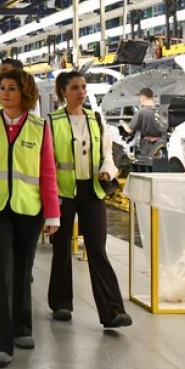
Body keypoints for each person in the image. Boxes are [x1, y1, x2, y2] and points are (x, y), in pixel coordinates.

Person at [0, 69, 59, 367]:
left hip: (29, 209)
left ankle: (22, 327)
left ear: (25, 93)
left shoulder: (39, 127)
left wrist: (53, 214)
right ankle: (2, 342)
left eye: (11, 88)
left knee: (22, 270)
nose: (4, 93)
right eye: (2, 88)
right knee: (2, 273)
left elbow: (47, 172)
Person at [47, 71, 133, 329]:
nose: (81, 92)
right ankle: (61, 302)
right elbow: (47, 161)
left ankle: (113, 311)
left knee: (97, 247)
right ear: (63, 92)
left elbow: (107, 153)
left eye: (83, 87)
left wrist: (107, 169)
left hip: (92, 191)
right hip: (63, 193)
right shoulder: (51, 122)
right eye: (75, 88)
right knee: (61, 247)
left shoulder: (96, 119)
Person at [121, 87, 165, 169]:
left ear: (142, 98)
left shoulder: (142, 112)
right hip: (162, 146)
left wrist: (123, 124)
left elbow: (130, 131)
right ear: (152, 97)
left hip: (147, 148)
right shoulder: (162, 110)